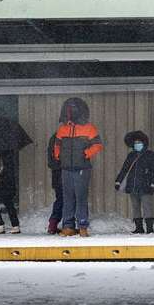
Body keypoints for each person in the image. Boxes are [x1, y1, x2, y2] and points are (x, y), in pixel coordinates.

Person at [54, 97, 103, 237]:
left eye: (73, 109)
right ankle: (68, 226)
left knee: (81, 197)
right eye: (69, 110)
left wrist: (86, 154)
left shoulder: (89, 128)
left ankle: (82, 225)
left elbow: (98, 145)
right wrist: (58, 156)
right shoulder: (62, 129)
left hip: (82, 168)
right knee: (67, 197)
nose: (70, 112)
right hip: (66, 168)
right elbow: (57, 145)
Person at [115, 131, 154, 234]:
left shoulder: (150, 155)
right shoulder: (131, 155)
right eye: (135, 143)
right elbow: (124, 169)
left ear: (144, 143)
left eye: (139, 142)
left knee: (147, 207)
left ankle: (149, 228)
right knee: (135, 207)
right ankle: (139, 227)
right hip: (133, 185)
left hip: (146, 185)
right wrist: (118, 181)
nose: (137, 144)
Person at [46, 133, 63, 234]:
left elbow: (51, 161)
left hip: (56, 174)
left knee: (60, 199)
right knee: (65, 200)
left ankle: (53, 223)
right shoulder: (64, 137)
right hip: (64, 172)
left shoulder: (54, 137)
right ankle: (66, 224)